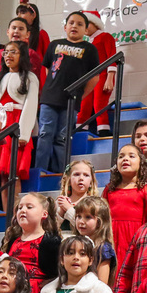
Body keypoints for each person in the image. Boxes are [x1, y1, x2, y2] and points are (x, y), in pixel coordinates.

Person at [37, 12, 100, 173]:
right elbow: (47, 70)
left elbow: (94, 78)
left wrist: (80, 95)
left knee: (62, 137)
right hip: (49, 98)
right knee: (45, 133)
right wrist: (51, 88)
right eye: (71, 23)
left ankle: (59, 172)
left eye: (80, 24)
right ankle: (40, 170)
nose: (74, 26)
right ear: (65, 27)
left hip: (71, 101)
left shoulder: (90, 49)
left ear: (86, 30)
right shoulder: (54, 44)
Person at [0, 40, 40, 205]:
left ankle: (14, 212)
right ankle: (6, 213)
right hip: (0, 125)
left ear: (22, 55)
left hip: (15, 124)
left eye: (13, 52)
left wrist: (23, 134)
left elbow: (30, 106)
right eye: (6, 52)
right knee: (3, 175)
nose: (8, 56)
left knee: (13, 173)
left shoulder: (30, 78)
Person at [0, 192, 62, 293]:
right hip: (11, 292)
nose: (23, 210)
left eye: (29, 207)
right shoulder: (12, 240)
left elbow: (58, 273)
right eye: (20, 208)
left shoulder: (51, 241)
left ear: (44, 214)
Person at [77, 10, 118, 135]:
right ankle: (81, 130)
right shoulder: (86, 42)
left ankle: (103, 130)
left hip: (103, 75)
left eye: (87, 24)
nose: (85, 28)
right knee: (84, 104)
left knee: (99, 103)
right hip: (89, 78)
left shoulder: (105, 36)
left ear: (95, 23)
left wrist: (110, 78)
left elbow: (112, 57)